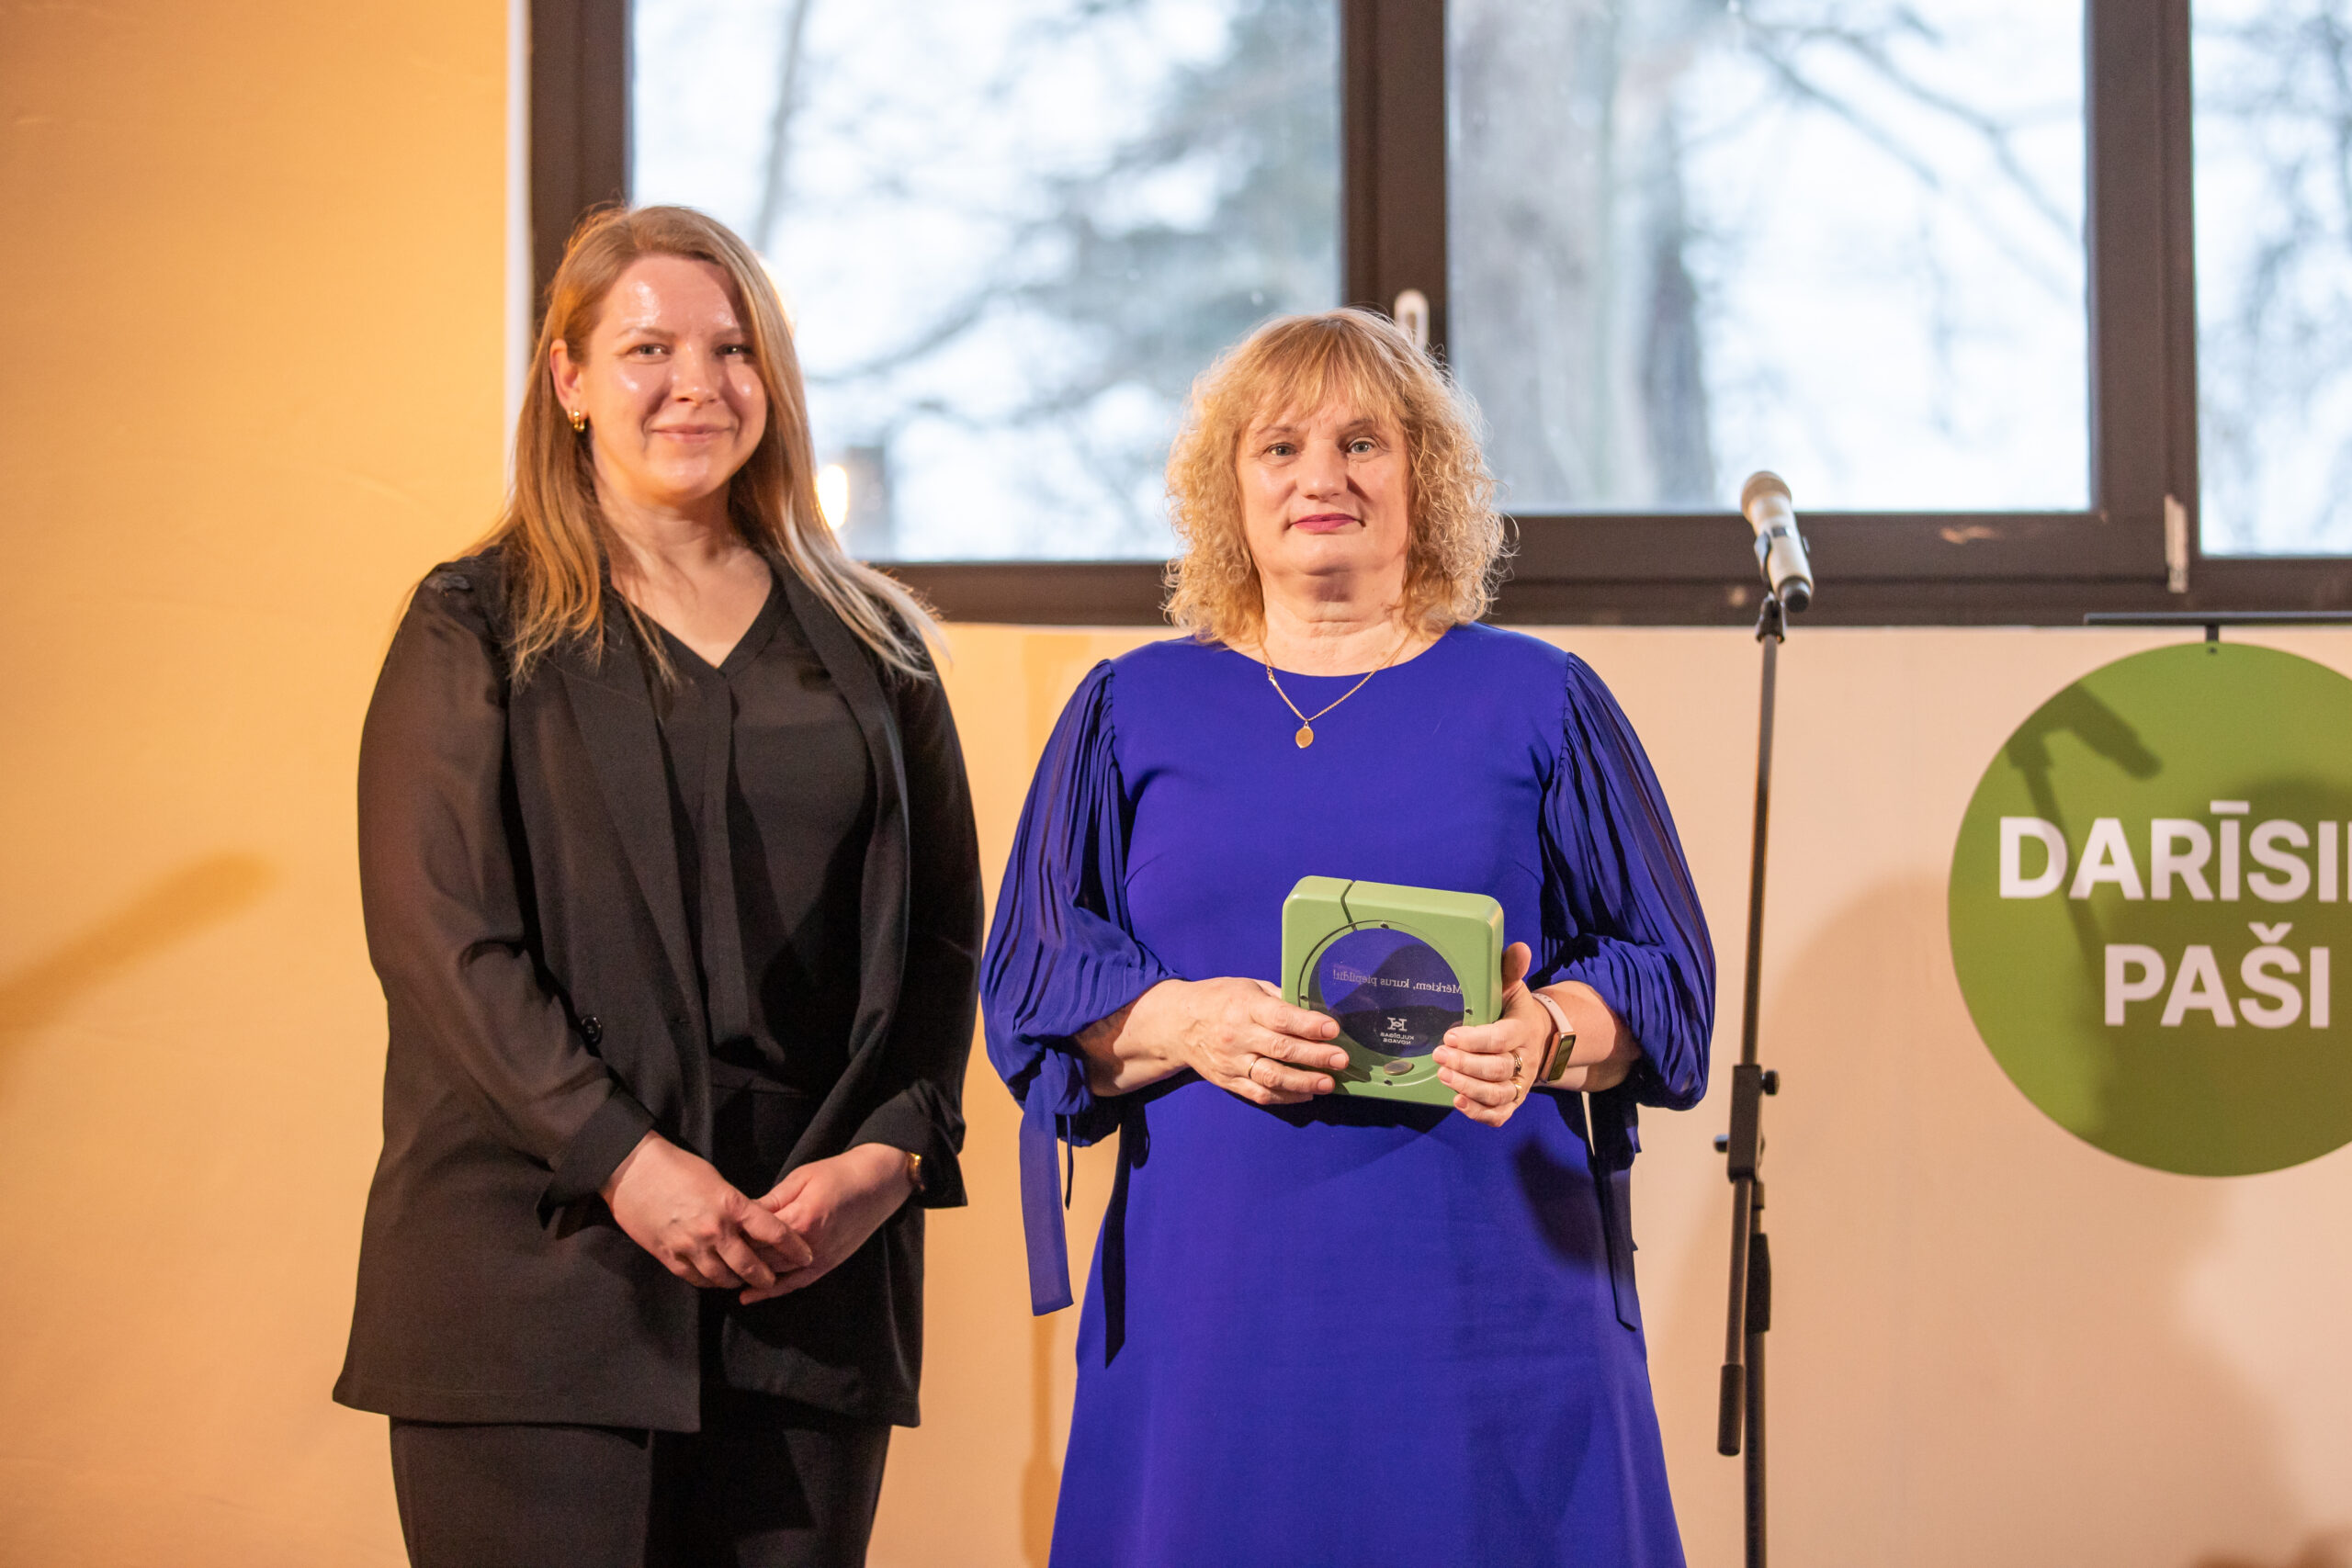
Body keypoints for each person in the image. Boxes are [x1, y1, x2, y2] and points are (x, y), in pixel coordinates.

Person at [982, 309, 1714, 1565]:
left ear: (1426, 479)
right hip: (1214, 1310)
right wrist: (1188, 1021)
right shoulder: (1127, 709)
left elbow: (1667, 981)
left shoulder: (1541, 700)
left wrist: (1546, 1030)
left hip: (1490, 1305)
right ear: (1230, 489)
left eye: (1362, 443)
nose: (1321, 475)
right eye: (1280, 447)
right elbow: (1033, 986)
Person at [334, 205, 982, 1568]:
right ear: (569, 380)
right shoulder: (474, 623)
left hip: (805, 1286)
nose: (698, 384)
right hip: (537, 1287)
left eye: (733, 349)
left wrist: (888, 1160)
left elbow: (941, 943)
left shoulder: (878, 646)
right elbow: (444, 942)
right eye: (649, 350)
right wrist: (625, 1160)